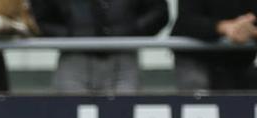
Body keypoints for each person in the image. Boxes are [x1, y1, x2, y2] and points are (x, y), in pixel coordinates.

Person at [30, 0, 169, 94]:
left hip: (123, 56)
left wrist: (131, 30)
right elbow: (38, 19)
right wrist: (72, 35)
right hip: (74, 57)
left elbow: (159, 12)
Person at [171, 1, 257, 91]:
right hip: (196, 57)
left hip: (239, 60)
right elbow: (187, 20)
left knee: (239, 113)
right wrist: (224, 28)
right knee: (198, 102)